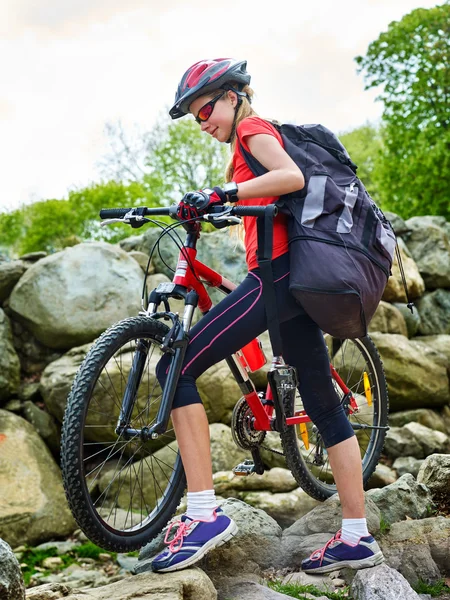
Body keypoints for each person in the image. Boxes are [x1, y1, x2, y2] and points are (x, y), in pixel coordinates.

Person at [151, 58, 384, 574]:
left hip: (276, 279)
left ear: (234, 97)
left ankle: (204, 513)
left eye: (206, 107)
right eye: (194, 115)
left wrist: (224, 192)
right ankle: (356, 536)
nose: (203, 120)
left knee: (175, 368)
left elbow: (290, 176)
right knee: (324, 406)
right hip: (292, 282)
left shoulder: (254, 128)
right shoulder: (247, 140)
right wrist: (218, 204)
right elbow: (268, 197)